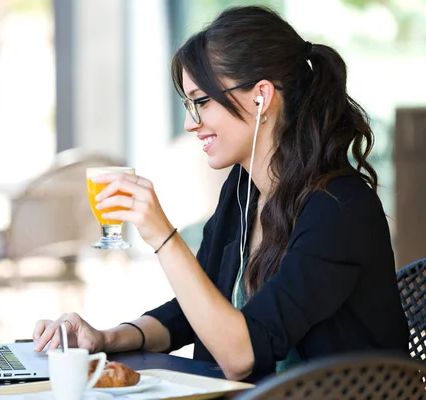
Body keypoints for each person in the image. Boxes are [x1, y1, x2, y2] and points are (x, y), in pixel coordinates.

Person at [32, 6, 409, 382]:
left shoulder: (339, 209)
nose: (190, 123)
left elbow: (241, 355)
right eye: (188, 104)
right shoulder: (243, 191)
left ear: (261, 97)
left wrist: (163, 237)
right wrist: (106, 337)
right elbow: (195, 311)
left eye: (202, 101)